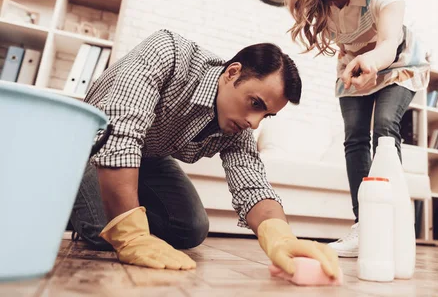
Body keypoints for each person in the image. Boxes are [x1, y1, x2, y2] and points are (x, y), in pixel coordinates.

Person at [69, 29, 339, 277]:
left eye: (266, 116)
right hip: (88, 143)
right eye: (255, 103)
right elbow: (121, 134)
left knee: (192, 228)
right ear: (232, 73)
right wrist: (132, 235)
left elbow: (252, 185)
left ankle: (108, 201)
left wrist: (282, 237)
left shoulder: (238, 127)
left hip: (149, 155)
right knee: (103, 227)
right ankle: (69, 197)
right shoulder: (168, 53)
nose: (254, 123)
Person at [286, 0, 431, 257]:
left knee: (384, 127)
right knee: (354, 139)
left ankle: (394, 222)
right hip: (354, 66)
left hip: (396, 62)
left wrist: (372, 60)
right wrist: (359, 62)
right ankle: (365, 225)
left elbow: (387, 43)